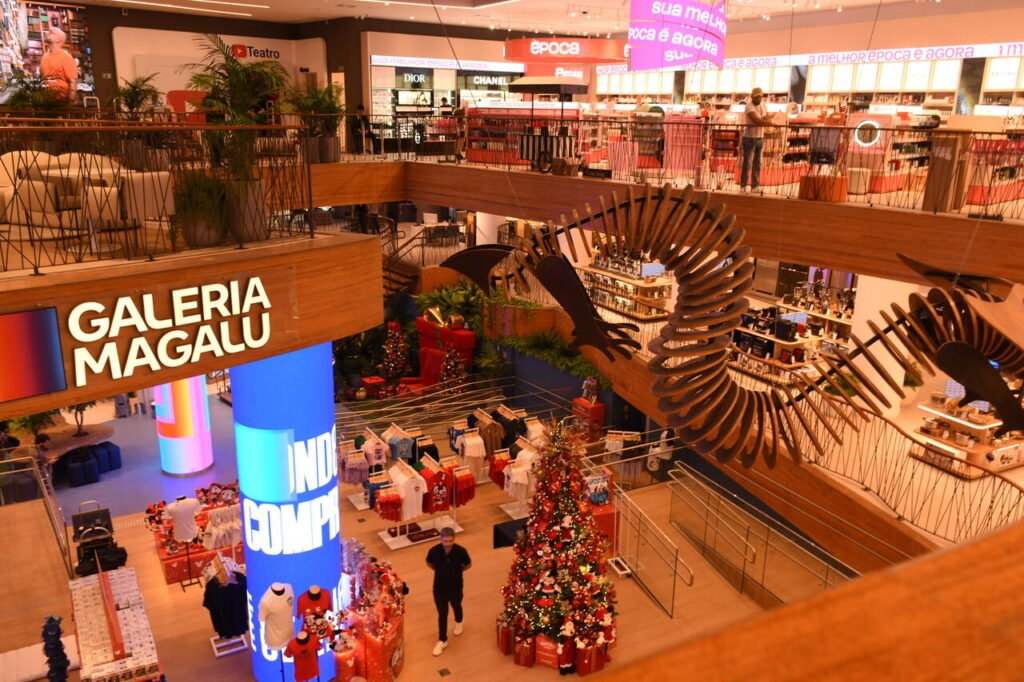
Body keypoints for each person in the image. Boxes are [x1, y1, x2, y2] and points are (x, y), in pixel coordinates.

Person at [425, 526, 471, 656]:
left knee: (456, 605)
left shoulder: (461, 551)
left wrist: (457, 571)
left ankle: (459, 621)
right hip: (439, 587)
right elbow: (429, 563)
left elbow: (468, 564)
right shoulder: (434, 551)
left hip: (456, 586)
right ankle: (442, 640)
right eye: (445, 541)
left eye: (450, 541)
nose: (448, 544)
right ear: (440, 539)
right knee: (442, 614)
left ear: (454, 539)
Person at [740, 87, 775, 193]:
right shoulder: (749, 106)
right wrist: (768, 122)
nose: (759, 99)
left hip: (760, 137)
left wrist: (766, 120)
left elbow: (766, 117)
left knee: (757, 163)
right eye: (756, 97)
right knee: (747, 163)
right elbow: (756, 120)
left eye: (760, 96)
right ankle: (743, 185)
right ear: (752, 97)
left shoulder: (763, 105)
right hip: (749, 137)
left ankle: (755, 186)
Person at [39, 27, 78, 103]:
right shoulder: (44, 57)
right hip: (46, 99)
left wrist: (70, 101)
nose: (47, 33)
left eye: (52, 33)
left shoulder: (66, 57)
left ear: (58, 39)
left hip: (61, 99)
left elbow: (73, 81)